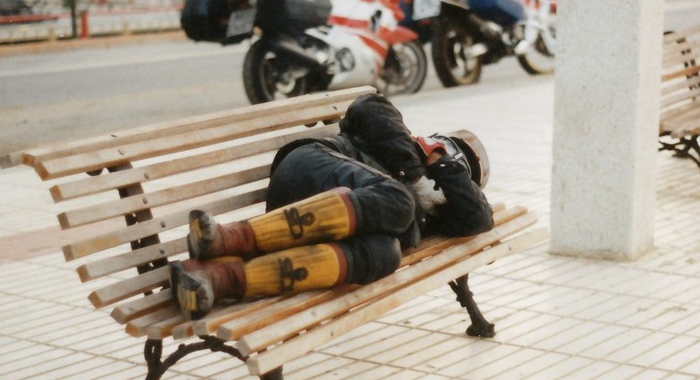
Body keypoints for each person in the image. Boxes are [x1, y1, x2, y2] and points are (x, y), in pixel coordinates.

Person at [171, 93, 494, 320]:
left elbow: (479, 218)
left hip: (309, 232)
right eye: (447, 149)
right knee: (399, 201)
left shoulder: (438, 212)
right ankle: (228, 237)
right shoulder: (394, 145)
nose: (447, 159)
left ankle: (217, 279)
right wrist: (416, 175)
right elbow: (370, 106)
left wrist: (445, 175)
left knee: (386, 254)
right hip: (309, 171)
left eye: (460, 168)